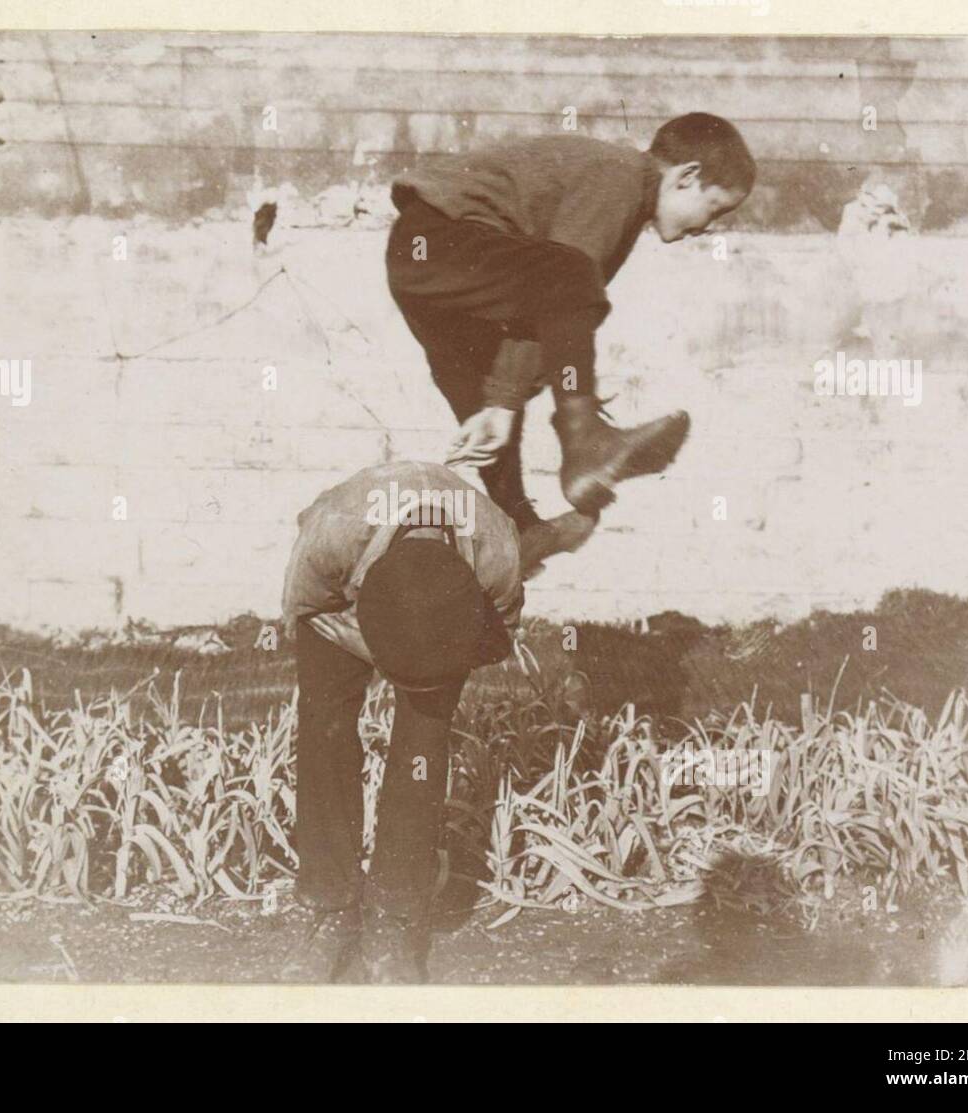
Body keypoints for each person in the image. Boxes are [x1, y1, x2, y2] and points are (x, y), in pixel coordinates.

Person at [385, 112, 756, 575]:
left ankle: (517, 528)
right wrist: (511, 401)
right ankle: (585, 441)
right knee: (573, 276)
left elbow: (545, 311)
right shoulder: (621, 178)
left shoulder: (620, 191)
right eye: (715, 208)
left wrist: (500, 403)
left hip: (423, 261)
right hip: (440, 240)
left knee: (492, 386)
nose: (708, 227)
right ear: (687, 177)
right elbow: (563, 281)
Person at [280, 460, 523, 982]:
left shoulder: (497, 550)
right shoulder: (332, 533)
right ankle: (331, 906)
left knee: (421, 750)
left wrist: (428, 657)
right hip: (338, 616)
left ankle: (396, 913)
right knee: (324, 732)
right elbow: (303, 609)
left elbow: (497, 636)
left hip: (442, 626)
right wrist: (377, 640)